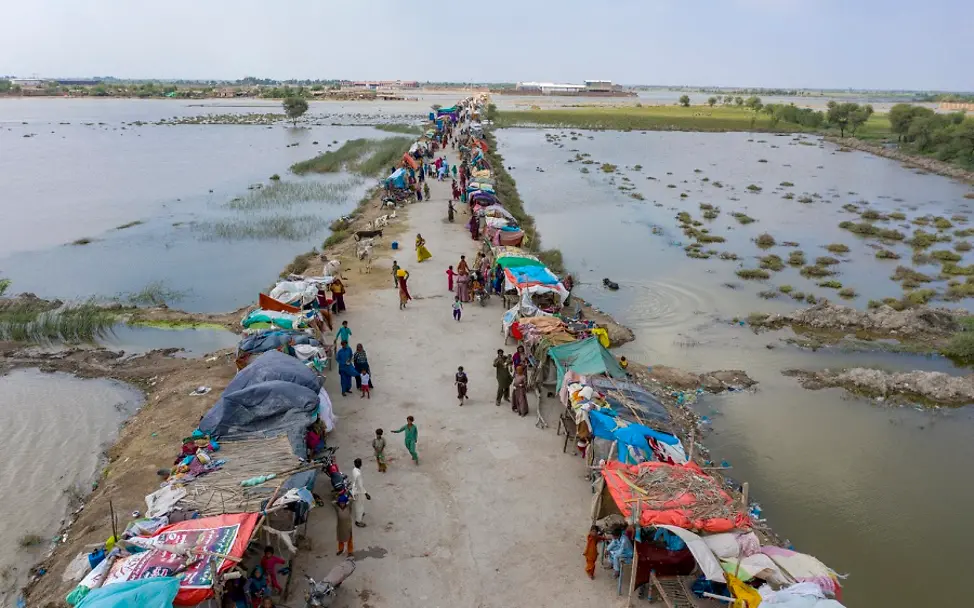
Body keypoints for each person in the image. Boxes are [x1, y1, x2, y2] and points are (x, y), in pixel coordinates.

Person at [350, 458, 371, 527]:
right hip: (359, 492)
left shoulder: (354, 470)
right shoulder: (358, 474)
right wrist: (366, 494)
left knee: (358, 505)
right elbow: (360, 486)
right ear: (361, 464)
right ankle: (358, 521)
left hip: (355, 490)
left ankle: (361, 513)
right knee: (360, 506)